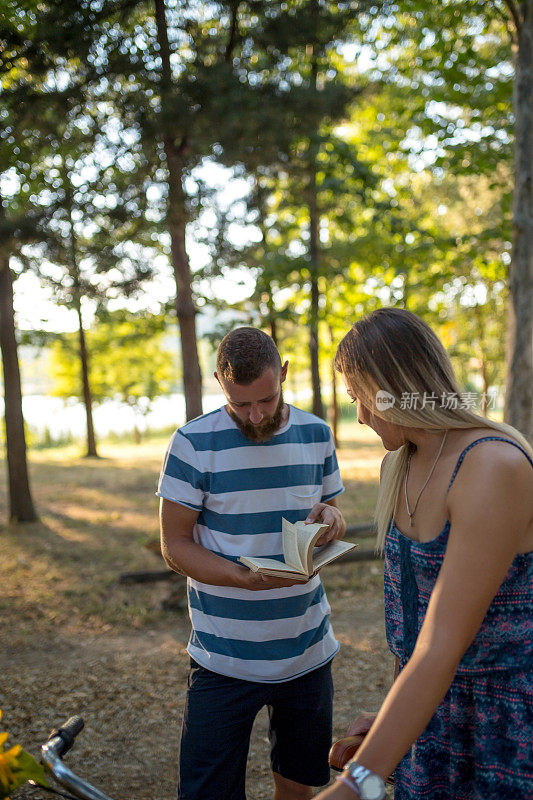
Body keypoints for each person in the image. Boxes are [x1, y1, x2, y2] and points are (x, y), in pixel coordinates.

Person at [315, 307, 533, 800]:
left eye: (361, 399)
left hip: (506, 727)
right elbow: (415, 639)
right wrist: (391, 717)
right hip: (431, 721)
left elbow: (440, 646)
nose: (362, 417)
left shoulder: (491, 464)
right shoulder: (402, 465)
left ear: (393, 386)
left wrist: (356, 788)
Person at [157, 327, 347, 800]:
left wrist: (333, 520)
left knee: (299, 788)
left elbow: (331, 512)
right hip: (223, 659)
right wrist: (242, 579)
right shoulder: (191, 443)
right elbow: (175, 545)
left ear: (282, 373)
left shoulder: (316, 434)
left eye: (266, 398)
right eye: (241, 404)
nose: (255, 415)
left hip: (307, 652)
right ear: (220, 379)